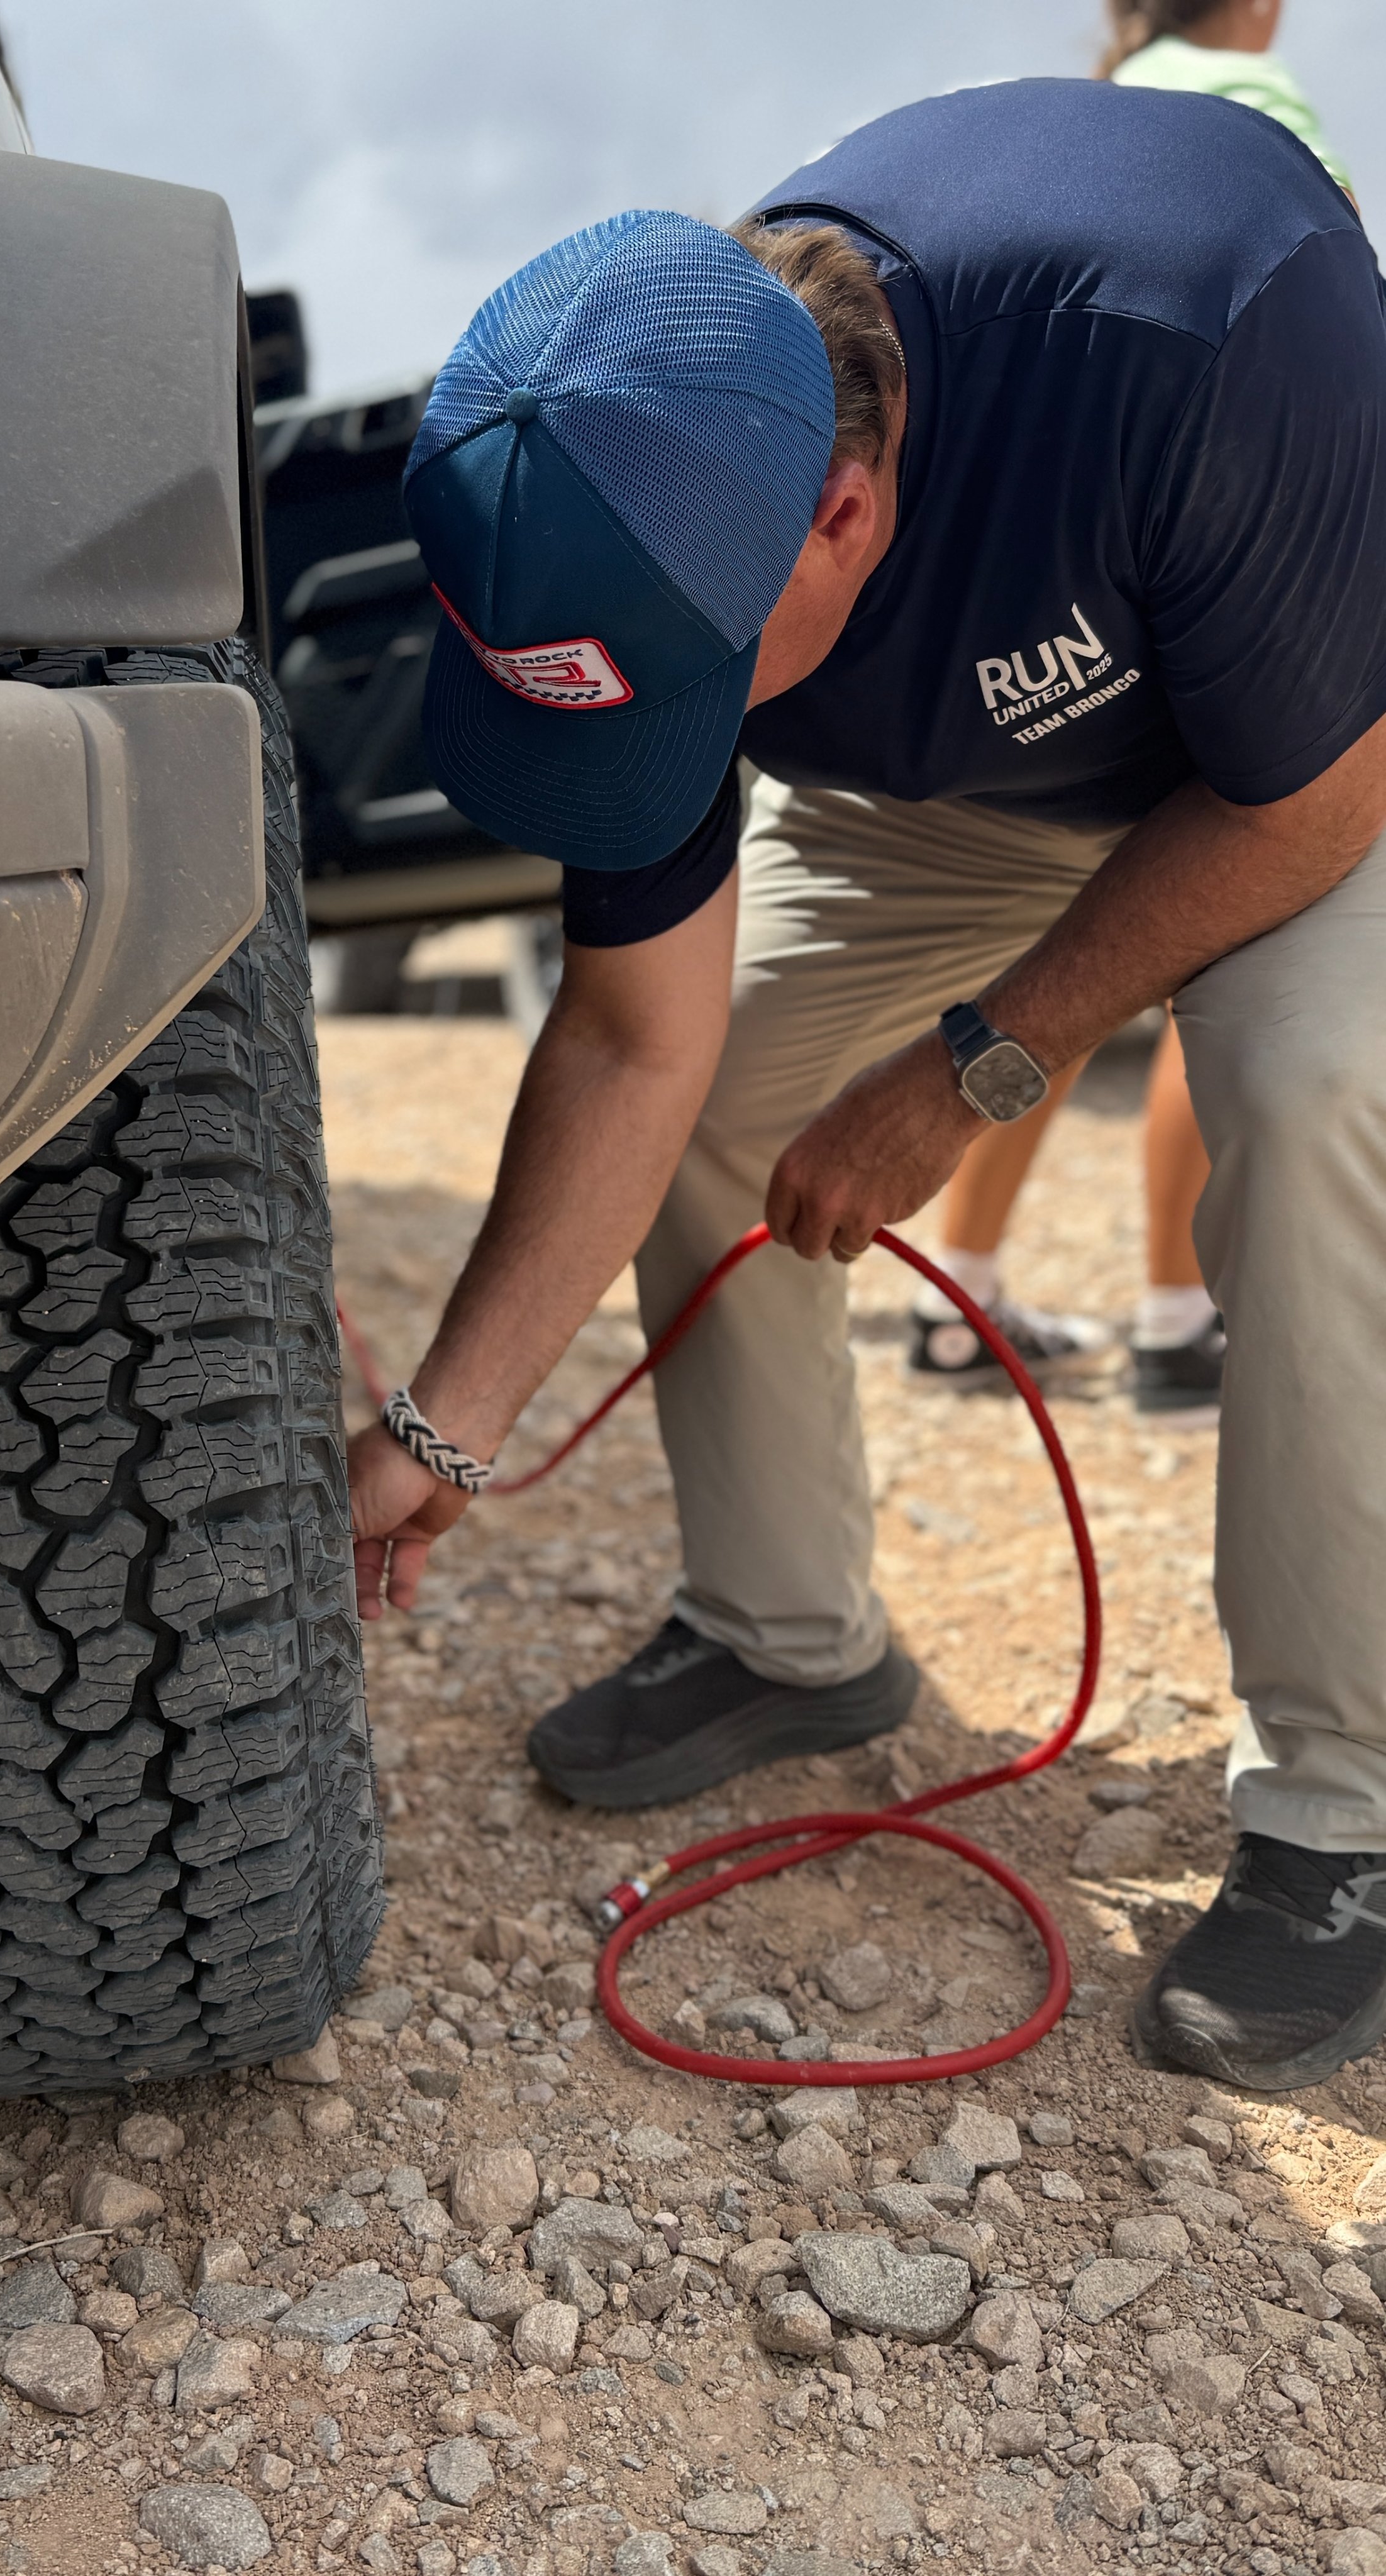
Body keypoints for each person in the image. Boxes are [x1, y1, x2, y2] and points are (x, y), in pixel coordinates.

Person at [346, 79, 1386, 2094]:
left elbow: (1308, 803)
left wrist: (980, 1062)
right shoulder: (643, 456)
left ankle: (1343, 1817)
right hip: (973, 790)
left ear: (846, 512)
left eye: (699, 690)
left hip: (1306, 762)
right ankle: (790, 1635)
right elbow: (634, 1040)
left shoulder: (1195, 322)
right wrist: (438, 1433)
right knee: (718, 1090)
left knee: (1312, 1096)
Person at [906, 0, 1351, 1414]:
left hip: (1057, 631)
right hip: (1207, 606)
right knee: (1211, 957)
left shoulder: (1077, 116)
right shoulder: (1250, 102)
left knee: (1064, 980)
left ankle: (962, 1301)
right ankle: (1175, 1315)